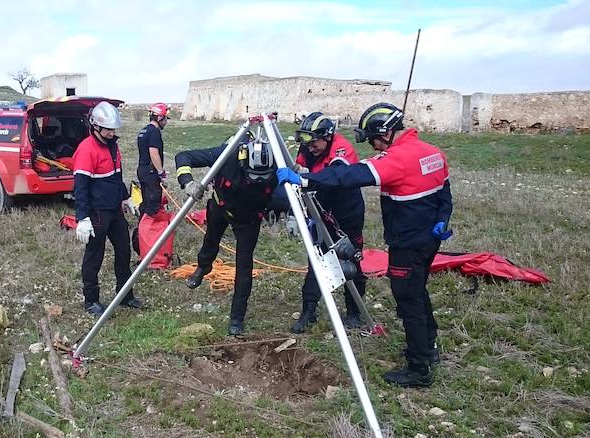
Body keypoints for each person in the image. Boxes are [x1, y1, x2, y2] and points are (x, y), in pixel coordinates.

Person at [277, 103, 453, 388]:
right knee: (418, 291)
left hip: (406, 241)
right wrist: (442, 220)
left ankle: (419, 368)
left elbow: (351, 175)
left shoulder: (397, 159)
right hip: (429, 238)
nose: (371, 145)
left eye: (371, 138)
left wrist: (305, 179)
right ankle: (429, 348)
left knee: (408, 299)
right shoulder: (433, 152)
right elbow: (445, 192)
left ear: (384, 133)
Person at [175, 133, 278, 336]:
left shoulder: (276, 161)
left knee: (244, 266)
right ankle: (203, 268)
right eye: (253, 175)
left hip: (249, 220)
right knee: (209, 243)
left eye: (263, 177)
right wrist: (188, 183)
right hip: (221, 207)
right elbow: (183, 157)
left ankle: (237, 318)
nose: (257, 181)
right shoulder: (227, 155)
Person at [289, 112, 367, 334]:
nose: (310, 148)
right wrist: (294, 213)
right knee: (317, 259)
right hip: (319, 208)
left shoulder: (342, 149)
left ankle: (354, 312)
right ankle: (309, 311)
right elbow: (299, 172)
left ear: (328, 136)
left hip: (346, 212)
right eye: (307, 142)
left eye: (314, 143)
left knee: (352, 260)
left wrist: (307, 179)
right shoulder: (308, 146)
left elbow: (336, 176)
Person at [72, 101, 144, 315]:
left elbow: (116, 177)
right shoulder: (87, 149)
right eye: (108, 129)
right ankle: (90, 300)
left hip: (114, 210)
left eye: (114, 129)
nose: (112, 133)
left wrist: (127, 198)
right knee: (95, 254)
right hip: (97, 212)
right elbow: (81, 187)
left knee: (123, 250)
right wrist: (82, 218)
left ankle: (125, 295)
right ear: (96, 127)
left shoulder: (113, 146)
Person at [136, 103, 170, 216]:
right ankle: (149, 231)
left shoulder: (143, 131)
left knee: (145, 202)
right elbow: (154, 153)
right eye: (165, 119)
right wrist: (161, 173)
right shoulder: (154, 132)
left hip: (142, 170)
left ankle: (141, 228)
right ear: (160, 117)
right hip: (151, 173)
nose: (166, 122)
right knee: (153, 204)